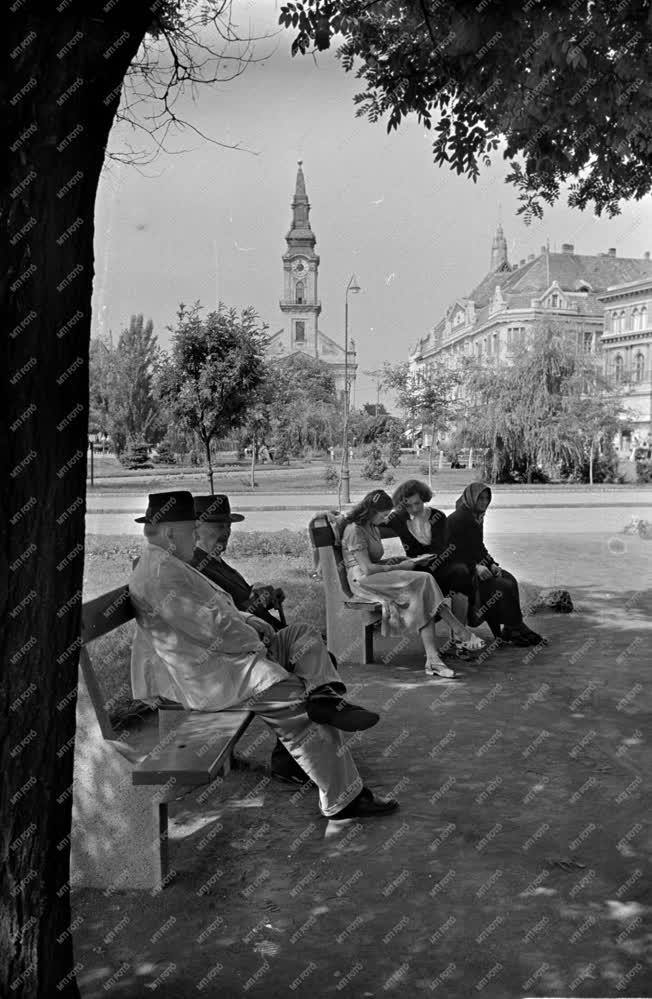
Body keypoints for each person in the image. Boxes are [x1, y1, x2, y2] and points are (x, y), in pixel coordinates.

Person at [128, 491, 398, 820]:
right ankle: (345, 799)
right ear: (171, 532)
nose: (196, 536)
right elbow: (212, 628)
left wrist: (250, 619)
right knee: (298, 710)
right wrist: (257, 641)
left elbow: (218, 609)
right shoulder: (160, 572)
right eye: (191, 530)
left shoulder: (166, 561)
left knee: (301, 635)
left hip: (232, 662)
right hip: (217, 676)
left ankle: (325, 693)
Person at [340, 490, 485, 679]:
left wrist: (395, 560)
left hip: (374, 576)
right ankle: (459, 633)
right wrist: (399, 566)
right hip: (362, 581)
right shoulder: (355, 530)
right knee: (423, 579)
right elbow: (366, 569)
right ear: (371, 511)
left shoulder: (371, 526)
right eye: (383, 515)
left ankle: (434, 660)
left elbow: (374, 562)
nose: (385, 519)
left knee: (423, 588)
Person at [386, 478, 481, 659]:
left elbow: (441, 548)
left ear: (424, 499)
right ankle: (452, 638)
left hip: (439, 564)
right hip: (416, 570)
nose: (414, 509)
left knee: (460, 573)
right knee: (425, 579)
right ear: (401, 505)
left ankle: (459, 642)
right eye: (409, 506)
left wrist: (427, 559)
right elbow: (368, 521)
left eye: (417, 503)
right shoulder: (397, 518)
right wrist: (338, 518)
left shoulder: (437, 516)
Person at [444, 482, 545, 647]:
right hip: (457, 570)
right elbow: (448, 553)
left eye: (486, 498)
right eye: (480, 498)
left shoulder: (477, 517)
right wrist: (475, 567)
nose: (484, 502)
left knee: (509, 580)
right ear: (470, 498)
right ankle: (512, 628)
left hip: (474, 566)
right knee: (502, 586)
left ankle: (511, 627)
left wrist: (491, 564)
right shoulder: (457, 520)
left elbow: (478, 547)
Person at [191, 495, 285, 631]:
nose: (226, 532)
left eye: (228, 525)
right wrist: (258, 600)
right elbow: (226, 614)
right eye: (219, 526)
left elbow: (240, 597)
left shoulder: (216, 561)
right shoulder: (197, 568)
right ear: (196, 530)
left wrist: (263, 593)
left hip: (271, 634)